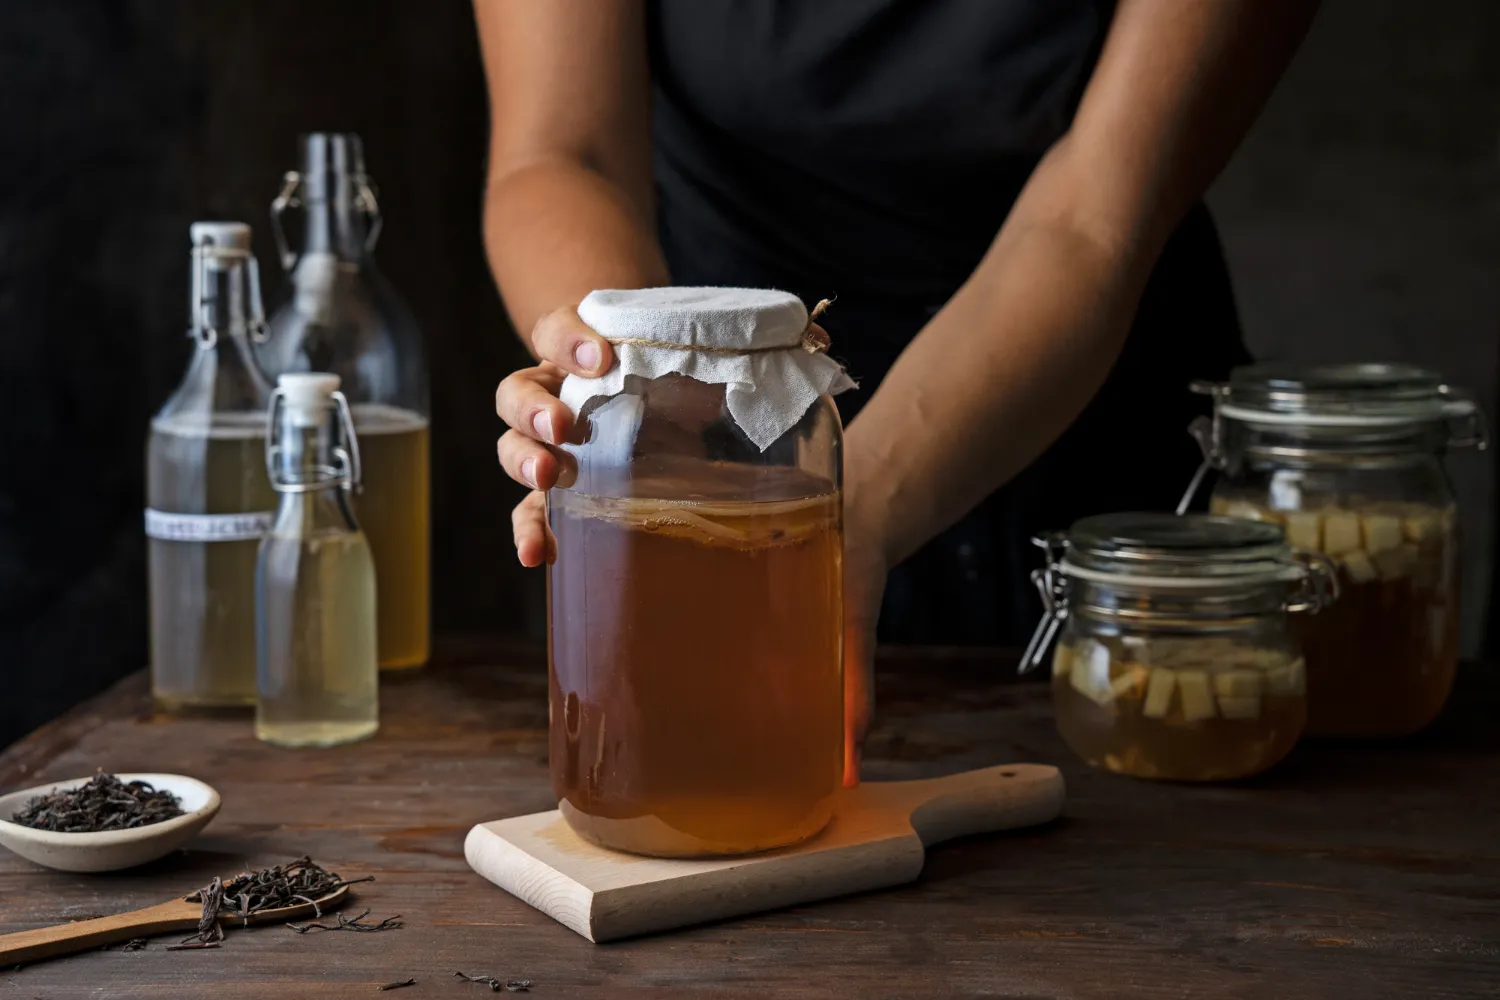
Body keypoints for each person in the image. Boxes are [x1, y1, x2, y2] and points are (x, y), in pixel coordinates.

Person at [474, 0, 1319, 784]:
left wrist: (841, 519)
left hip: (1090, 452)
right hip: (723, 438)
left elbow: (1092, 219)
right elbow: (561, 153)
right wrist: (631, 406)